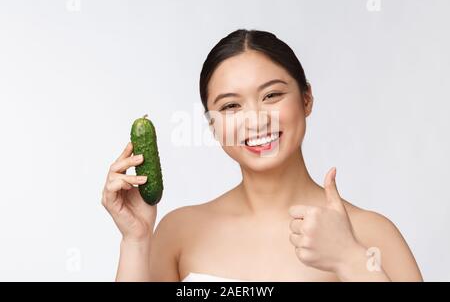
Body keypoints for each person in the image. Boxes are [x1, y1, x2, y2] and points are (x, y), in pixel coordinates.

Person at [102, 29, 423, 282]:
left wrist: (350, 259)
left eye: (272, 95)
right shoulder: (179, 231)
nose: (255, 120)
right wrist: (136, 241)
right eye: (230, 105)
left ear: (307, 98)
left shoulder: (370, 233)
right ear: (213, 125)